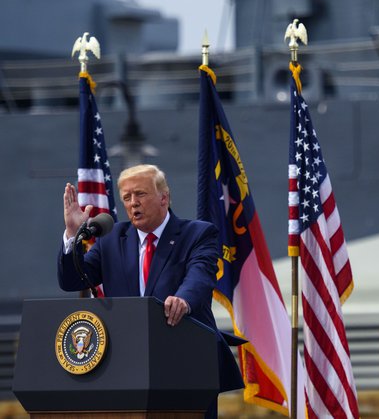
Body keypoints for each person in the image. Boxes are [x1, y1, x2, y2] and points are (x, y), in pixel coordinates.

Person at [58, 164, 243, 417]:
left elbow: (200, 276)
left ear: (164, 197)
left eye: (141, 194)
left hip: (186, 363)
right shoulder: (111, 240)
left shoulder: (197, 234)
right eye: (127, 197)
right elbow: (72, 280)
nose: (133, 203)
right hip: (126, 366)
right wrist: (72, 234)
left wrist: (183, 300)